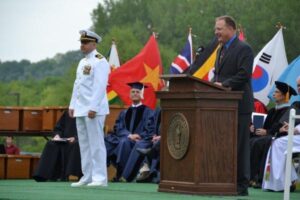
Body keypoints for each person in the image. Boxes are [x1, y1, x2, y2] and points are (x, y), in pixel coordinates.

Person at [212, 15, 254, 196]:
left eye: (219, 29)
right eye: (216, 29)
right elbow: (218, 77)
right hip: (223, 107)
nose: (216, 32)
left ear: (231, 29)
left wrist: (225, 84)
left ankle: (241, 185)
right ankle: (225, 181)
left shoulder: (244, 49)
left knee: (240, 146)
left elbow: (244, 75)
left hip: (240, 106)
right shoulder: (220, 50)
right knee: (225, 145)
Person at [69, 29, 110, 187]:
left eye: (85, 43)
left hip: (94, 109)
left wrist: (93, 107)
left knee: (96, 143)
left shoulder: (100, 61)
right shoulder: (82, 62)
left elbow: (100, 87)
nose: (82, 45)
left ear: (94, 44)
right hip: (80, 108)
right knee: (84, 144)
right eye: (81, 42)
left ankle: (100, 178)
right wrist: (72, 105)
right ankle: (87, 176)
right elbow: (77, 85)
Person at [249, 81, 297, 188]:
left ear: (285, 96)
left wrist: (267, 132)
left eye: (277, 92)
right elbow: (265, 126)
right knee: (251, 140)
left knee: (259, 142)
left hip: (280, 136)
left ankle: (258, 178)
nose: (274, 94)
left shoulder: (289, 110)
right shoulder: (272, 110)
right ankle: (249, 176)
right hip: (270, 135)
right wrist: (255, 128)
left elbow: (281, 127)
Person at [105, 82, 154, 182]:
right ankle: (100, 173)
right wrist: (129, 135)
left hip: (139, 140)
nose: (135, 93)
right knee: (106, 141)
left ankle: (123, 175)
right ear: (130, 94)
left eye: (137, 92)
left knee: (124, 143)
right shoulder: (124, 112)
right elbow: (118, 127)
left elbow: (150, 128)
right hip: (126, 138)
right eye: (133, 92)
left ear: (141, 94)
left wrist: (138, 136)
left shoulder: (148, 111)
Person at [262, 77, 300, 191]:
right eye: (298, 85)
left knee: (277, 142)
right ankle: (287, 180)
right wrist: (291, 128)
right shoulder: (297, 104)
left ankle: (282, 181)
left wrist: (296, 130)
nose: (299, 88)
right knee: (277, 141)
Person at [33, 111, 82, 182]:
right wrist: (57, 135)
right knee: (51, 144)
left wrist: (76, 137)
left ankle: (71, 174)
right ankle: (43, 175)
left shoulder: (85, 113)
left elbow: (88, 131)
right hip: (64, 139)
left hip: (78, 140)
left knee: (75, 144)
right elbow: (58, 128)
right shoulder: (68, 112)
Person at [136, 107, 161, 183]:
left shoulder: (178, 107)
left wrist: (162, 136)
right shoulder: (159, 109)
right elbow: (151, 126)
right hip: (155, 137)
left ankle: (150, 171)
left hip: (171, 137)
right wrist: (154, 135)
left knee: (157, 144)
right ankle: (149, 171)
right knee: (140, 144)